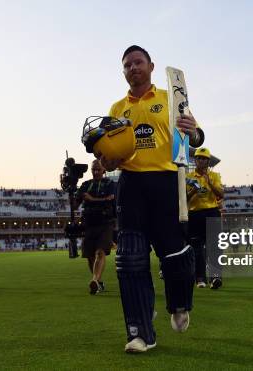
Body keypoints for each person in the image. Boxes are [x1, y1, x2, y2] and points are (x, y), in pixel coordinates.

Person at [102, 45, 204, 353]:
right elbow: (111, 155)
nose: (133, 67)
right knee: (130, 260)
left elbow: (196, 140)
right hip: (131, 185)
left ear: (151, 66)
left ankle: (179, 304)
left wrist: (194, 132)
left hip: (166, 182)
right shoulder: (117, 108)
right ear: (123, 72)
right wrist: (107, 160)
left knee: (174, 257)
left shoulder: (171, 100)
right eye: (127, 65)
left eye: (138, 62)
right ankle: (140, 332)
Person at [75, 159, 116, 295]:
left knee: (100, 252)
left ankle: (94, 280)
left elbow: (112, 199)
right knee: (89, 255)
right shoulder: (85, 184)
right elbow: (75, 204)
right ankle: (99, 281)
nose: (96, 172)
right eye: (93, 170)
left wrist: (91, 199)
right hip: (88, 222)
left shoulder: (111, 184)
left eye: (98, 169)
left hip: (106, 222)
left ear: (104, 170)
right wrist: (72, 193)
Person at [186, 147, 224, 290]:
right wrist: (194, 190)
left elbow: (221, 194)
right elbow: (184, 198)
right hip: (195, 214)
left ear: (208, 161)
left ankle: (215, 277)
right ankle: (200, 278)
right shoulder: (188, 177)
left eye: (204, 159)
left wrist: (210, 183)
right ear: (195, 160)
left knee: (214, 246)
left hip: (212, 211)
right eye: (199, 158)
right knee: (196, 248)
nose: (201, 161)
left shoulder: (214, 176)